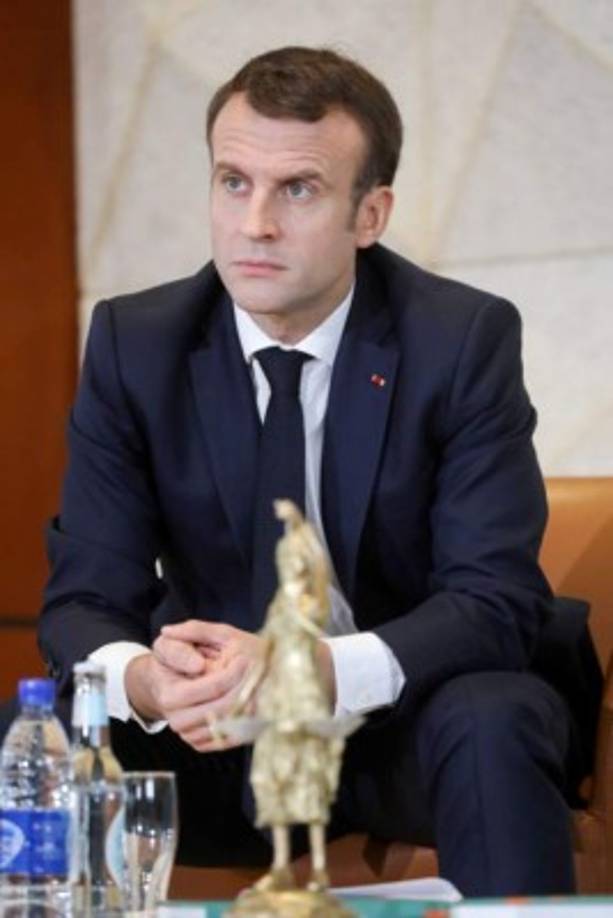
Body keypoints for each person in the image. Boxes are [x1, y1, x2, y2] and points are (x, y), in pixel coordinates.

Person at [28, 46, 582, 895]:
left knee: (493, 715)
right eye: (232, 182)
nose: (254, 224)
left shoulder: (459, 341)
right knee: (43, 727)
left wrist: (310, 671)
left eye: (297, 190)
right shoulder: (137, 346)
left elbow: (493, 600)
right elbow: (83, 600)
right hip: (216, 741)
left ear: (370, 214)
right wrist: (149, 681)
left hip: (402, 724)